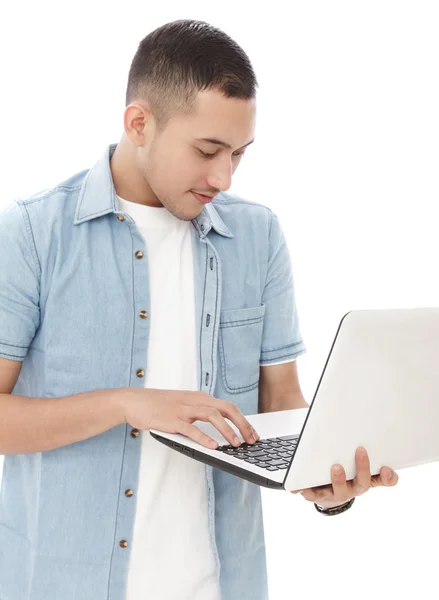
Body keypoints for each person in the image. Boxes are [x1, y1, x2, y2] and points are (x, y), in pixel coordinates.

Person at [0, 19, 398, 600]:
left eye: (239, 153)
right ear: (140, 123)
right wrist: (124, 404)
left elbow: (281, 401)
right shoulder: (33, 235)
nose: (223, 176)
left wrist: (326, 476)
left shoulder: (257, 236)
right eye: (207, 150)